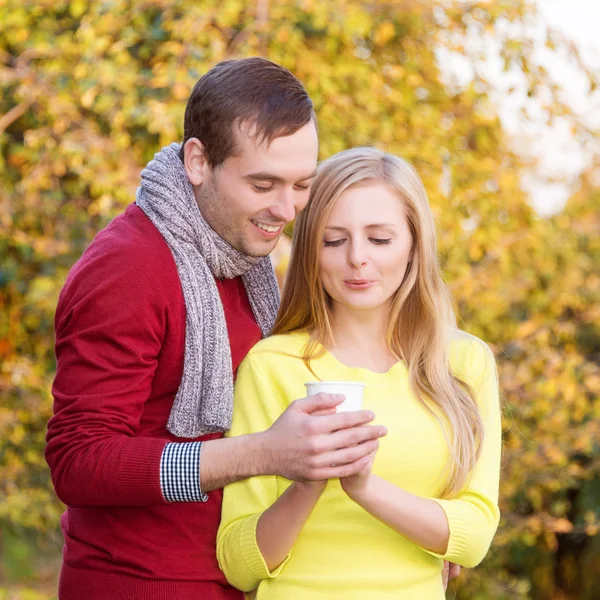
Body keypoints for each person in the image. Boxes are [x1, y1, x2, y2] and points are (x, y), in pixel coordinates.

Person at [44, 58, 387, 600]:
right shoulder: (129, 268)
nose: (285, 208)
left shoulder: (242, 262)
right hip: (141, 584)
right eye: (263, 183)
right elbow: (78, 462)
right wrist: (264, 453)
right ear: (199, 161)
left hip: (238, 578)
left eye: (301, 185)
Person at [217, 147, 502, 599]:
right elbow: (238, 563)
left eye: (380, 239)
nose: (357, 259)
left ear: (414, 243)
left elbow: (473, 537)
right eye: (334, 240)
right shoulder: (272, 366)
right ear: (312, 250)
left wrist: (364, 487)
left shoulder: (464, 363)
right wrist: (308, 481)